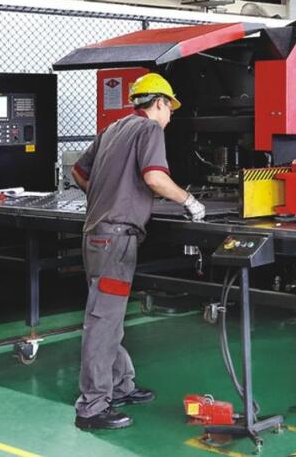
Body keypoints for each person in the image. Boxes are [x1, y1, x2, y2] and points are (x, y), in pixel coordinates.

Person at [71, 72, 205, 430]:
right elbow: (155, 178)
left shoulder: (113, 128)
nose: (170, 116)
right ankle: (92, 407)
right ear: (160, 102)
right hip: (116, 240)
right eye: (170, 108)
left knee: (108, 315)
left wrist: (106, 195)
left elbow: (78, 171)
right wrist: (189, 200)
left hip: (97, 235)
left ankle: (120, 384)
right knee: (103, 321)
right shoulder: (149, 129)